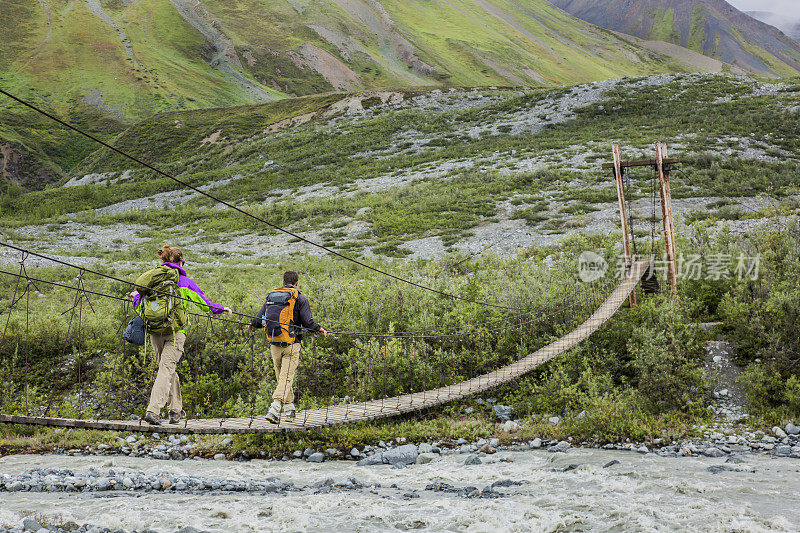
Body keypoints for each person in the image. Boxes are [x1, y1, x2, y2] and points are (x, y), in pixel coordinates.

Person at [131, 245, 232, 425]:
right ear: (180, 262)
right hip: (176, 332)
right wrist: (221, 309)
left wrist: (134, 298)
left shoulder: (151, 280)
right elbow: (204, 303)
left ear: (162, 260)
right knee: (166, 370)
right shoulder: (184, 281)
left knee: (168, 369)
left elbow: (139, 305)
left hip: (155, 331)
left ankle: (175, 411)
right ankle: (153, 411)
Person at [249, 270, 327, 423]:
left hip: (274, 342)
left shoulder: (272, 297)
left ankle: (290, 410)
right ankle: (275, 408)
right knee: (285, 378)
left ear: (283, 282)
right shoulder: (300, 298)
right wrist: (319, 328)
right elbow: (307, 322)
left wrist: (253, 324)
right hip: (292, 343)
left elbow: (259, 317)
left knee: (282, 378)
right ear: (296, 283)